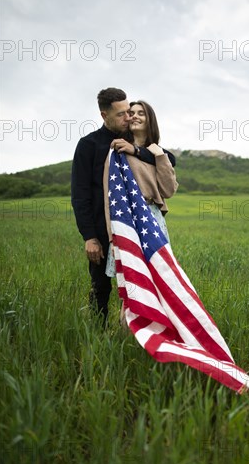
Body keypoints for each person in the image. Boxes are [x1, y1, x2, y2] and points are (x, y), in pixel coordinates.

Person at [71, 88, 176, 325]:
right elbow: (80, 196)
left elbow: (169, 158)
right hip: (102, 226)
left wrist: (136, 150)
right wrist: (89, 237)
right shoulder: (89, 145)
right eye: (121, 114)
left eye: (129, 112)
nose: (128, 118)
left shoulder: (133, 140)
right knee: (101, 286)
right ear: (104, 115)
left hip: (135, 225)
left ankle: (137, 332)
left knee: (140, 283)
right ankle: (97, 336)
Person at [104, 99, 178, 275]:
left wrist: (160, 156)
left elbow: (168, 191)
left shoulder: (159, 154)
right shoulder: (118, 150)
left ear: (150, 119)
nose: (135, 116)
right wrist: (112, 239)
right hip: (127, 218)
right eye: (132, 113)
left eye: (141, 113)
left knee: (159, 277)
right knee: (131, 279)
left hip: (152, 218)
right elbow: (109, 197)